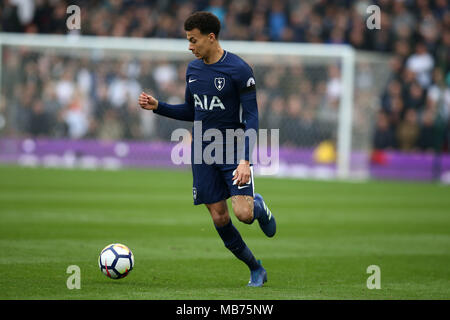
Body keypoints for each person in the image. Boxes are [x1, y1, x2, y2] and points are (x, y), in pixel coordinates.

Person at [138, 11, 276, 287]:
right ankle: (255, 268)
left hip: (233, 149)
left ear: (211, 38)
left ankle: (259, 207)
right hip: (202, 151)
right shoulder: (193, 70)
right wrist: (159, 107)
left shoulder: (239, 70)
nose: (189, 46)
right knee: (219, 216)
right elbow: (193, 110)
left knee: (244, 215)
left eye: (193, 40)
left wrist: (245, 160)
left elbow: (252, 118)